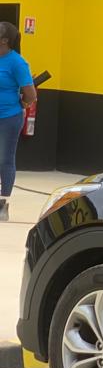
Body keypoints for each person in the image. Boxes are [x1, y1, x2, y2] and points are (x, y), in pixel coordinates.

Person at [0, 21, 35, 222]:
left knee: (5, 159)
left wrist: (23, 103)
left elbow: (31, 94)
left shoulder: (17, 63)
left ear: (5, 40)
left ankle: (3, 204)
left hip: (9, 118)